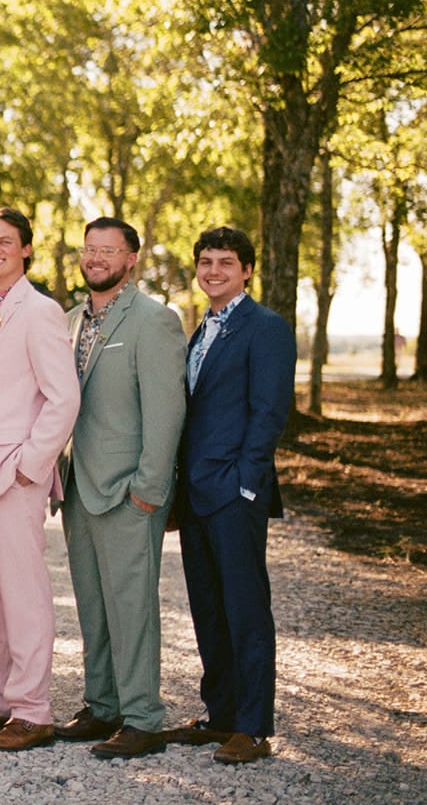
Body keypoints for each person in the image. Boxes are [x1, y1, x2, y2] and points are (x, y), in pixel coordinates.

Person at [53, 217, 187, 760]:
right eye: (89, 249)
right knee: (92, 604)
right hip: (78, 489)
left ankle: (143, 718)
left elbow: (167, 410)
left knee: (131, 605)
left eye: (109, 250)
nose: (96, 257)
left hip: (129, 488)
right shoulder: (67, 321)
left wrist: (149, 487)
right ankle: (103, 704)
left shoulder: (154, 321)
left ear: (132, 258)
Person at [0, 207, 79, 752]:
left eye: (6, 241)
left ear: (26, 249)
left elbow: (64, 396)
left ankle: (33, 710)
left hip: (13, 476)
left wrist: (30, 466)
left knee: (24, 594)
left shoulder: (39, 310)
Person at [171, 226, 295, 765]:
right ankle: (219, 713)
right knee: (207, 607)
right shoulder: (199, 331)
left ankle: (253, 726)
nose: (213, 270)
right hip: (196, 493)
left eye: (225, 262)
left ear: (247, 270)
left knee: (245, 609)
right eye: (205, 261)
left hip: (234, 492)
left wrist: (248, 482)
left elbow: (269, 413)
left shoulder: (265, 328)